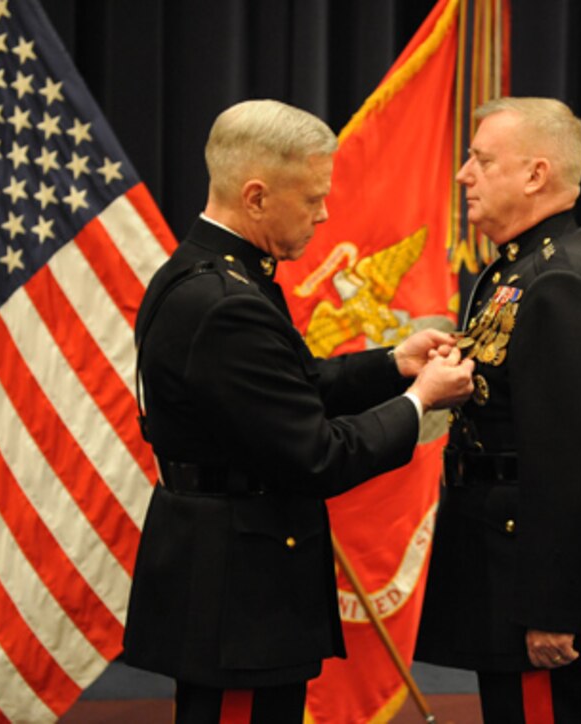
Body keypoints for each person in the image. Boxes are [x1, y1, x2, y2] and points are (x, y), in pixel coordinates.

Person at [122, 99, 475, 723]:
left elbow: (294, 386)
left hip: (232, 577)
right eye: (313, 197)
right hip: (239, 600)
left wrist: (396, 362)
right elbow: (318, 456)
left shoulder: (208, 274)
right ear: (256, 197)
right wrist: (421, 402)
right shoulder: (227, 303)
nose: (325, 213)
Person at [415, 97, 581, 722]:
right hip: (509, 557)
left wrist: (553, 608)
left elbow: (574, 465)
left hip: (533, 574)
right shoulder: (521, 271)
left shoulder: (557, 284)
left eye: (482, 160)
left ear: (535, 175)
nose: (464, 174)